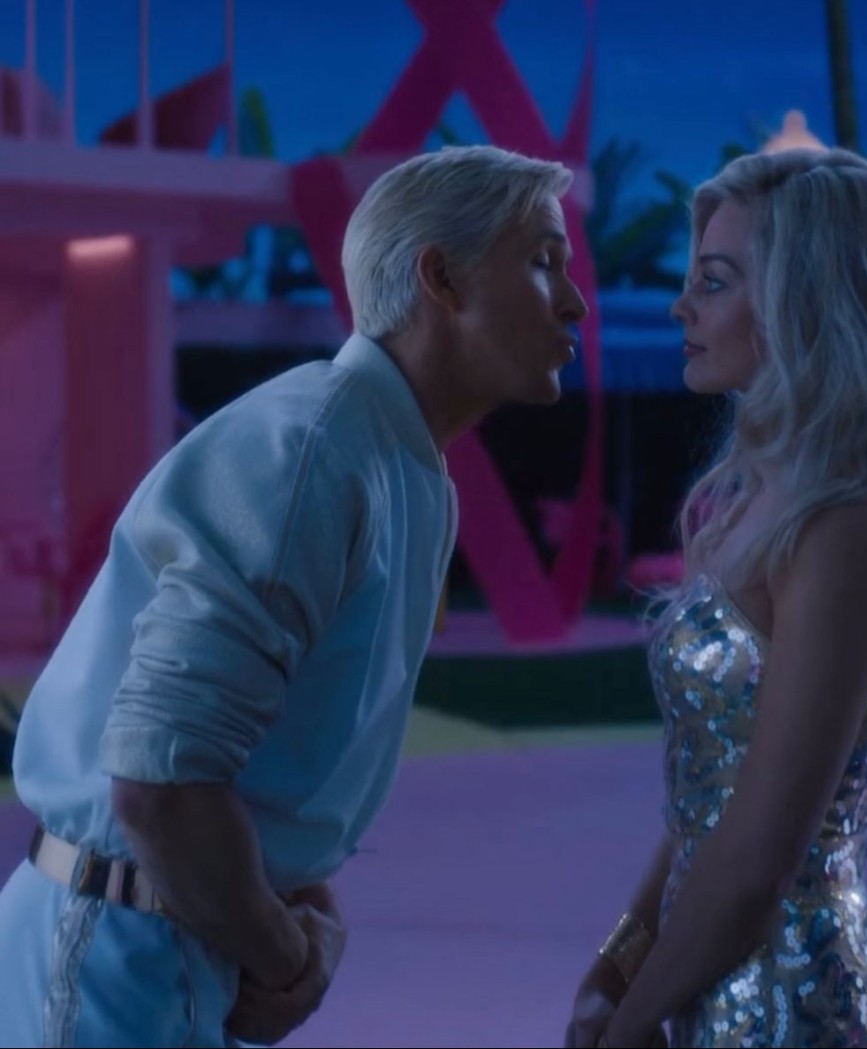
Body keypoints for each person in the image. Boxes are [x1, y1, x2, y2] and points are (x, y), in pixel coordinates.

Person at [0, 143, 588, 1047]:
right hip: (121, 956)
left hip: (177, 939)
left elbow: (265, 751)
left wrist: (300, 904)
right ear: (441, 278)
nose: (574, 301)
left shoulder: (394, 462)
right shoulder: (314, 455)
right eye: (543, 261)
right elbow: (159, 782)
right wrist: (285, 959)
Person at [565, 117, 867, 1048]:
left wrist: (629, 1023)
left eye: (714, 281)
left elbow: (762, 859)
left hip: (795, 1007)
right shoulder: (759, 506)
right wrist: (616, 964)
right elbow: (709, 812)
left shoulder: (851, 532)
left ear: (805, 303)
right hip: (706, 980)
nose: (680, 306)